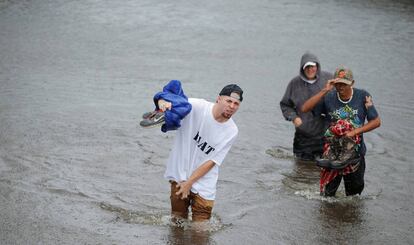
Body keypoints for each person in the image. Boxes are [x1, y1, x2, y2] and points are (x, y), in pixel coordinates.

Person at [159, 84, 243, 222]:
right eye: (229, 101)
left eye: (236, 104)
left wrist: (190, 183)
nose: (232, 106)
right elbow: (168, 97)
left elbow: (212, 161)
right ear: (219, 99)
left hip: (205, 185)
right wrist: (162, 103)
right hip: (180, 176)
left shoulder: (231, 131)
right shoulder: (196, 106)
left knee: (200, 234)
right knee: (177, 225)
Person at [301, 65, 381, 196]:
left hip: (355, 154)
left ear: (352, 83)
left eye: (344, 84)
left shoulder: (362, 96)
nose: (340, 87)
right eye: (337, 84)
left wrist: (355, 132)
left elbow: (376, 122)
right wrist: (325, 90)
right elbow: (305, 108)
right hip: (332, 154)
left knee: (354, 195)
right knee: (326, 197)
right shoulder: (328, 97)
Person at [280, 52, 333, 162]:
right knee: (301, 168)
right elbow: (285, 105)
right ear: (302, 68)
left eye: (312, 66)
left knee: (324, 168)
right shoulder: (294, 83)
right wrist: (293, 117)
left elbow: (342, 94)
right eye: (307, 67)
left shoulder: (328, 78)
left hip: (326, 135)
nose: (310, 70)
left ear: (317, 66)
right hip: (303, 136)